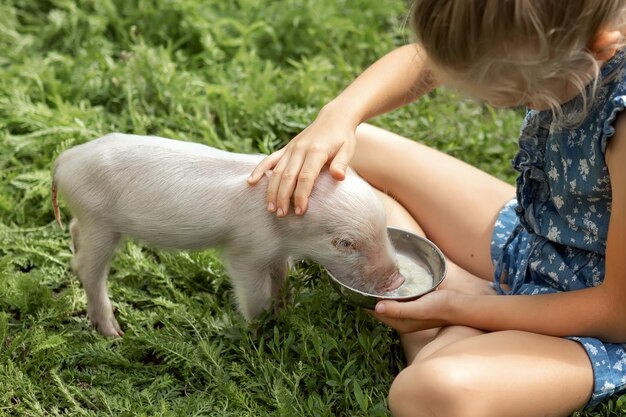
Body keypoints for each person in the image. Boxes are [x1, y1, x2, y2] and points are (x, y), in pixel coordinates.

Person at [247, 1, 626, 416]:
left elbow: (616, 313)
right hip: (537, 243)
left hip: (599, 316)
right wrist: (339, 115)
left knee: (431, 393)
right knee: (337, 161)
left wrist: (454, 308)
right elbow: (425, 59)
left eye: (519, 92)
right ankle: (462, 304)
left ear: (599, 47)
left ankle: (448, 315)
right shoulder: (552, 30)